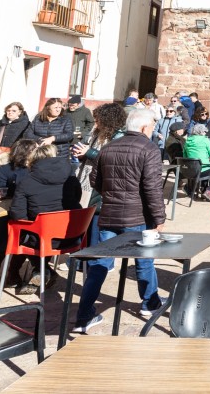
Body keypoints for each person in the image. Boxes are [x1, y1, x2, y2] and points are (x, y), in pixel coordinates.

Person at [86, 109, 165, 321]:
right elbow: (152, 188)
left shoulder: (108, 148)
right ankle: (150, 302)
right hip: (136, 216)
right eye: (151, 127)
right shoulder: (149, 149)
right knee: (144, 260)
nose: (152, 131)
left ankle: (84, 313)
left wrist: (112, 194)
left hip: (110, 213)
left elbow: (96, 181)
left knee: (100, 262)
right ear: (143, 128)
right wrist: (159, 218)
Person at [69, 102, 126, 333]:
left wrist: (89, 153)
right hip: (95, 196)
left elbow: (112, 161)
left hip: (104, 200)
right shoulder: (98, 135)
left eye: (99, 120)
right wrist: (83, 156)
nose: (95, 124)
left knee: (98, 256)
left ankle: (85, 311)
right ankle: (86, 309)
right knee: (95, 254)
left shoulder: (118, 138)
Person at [5, 142, 82, 293]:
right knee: (38, 230)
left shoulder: (27, 181)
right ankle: (38, 270)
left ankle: (21, 273)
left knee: (22, 231)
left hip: (43, 238)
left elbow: (18, 214)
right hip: (72, 236)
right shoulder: (71, 177)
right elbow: (76, 199)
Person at [0, 138, 37, 277]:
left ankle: (13, 270)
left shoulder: (37, 169)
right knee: (2, 236)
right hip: (8, 210)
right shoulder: (7, 169)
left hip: (29, 211)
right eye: (34, 150)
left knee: (24, 241)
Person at [0, 102, 31, 176]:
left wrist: (16, 155)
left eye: (13, 111)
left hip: (14, 160)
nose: (10, 112)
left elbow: (26, 142)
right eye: (8, 110)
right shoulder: (0, 123)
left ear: (20, 112)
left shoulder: (26, 124)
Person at [183, 123, 210, 200]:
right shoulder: (205, 140)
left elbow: (185, 156)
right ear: (200, 132)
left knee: (207, 167)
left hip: (191, 170)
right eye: (204, 132)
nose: (205, 133)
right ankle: (208, 191)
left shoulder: (187, 141)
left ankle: (198, 189)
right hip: (202, 170)